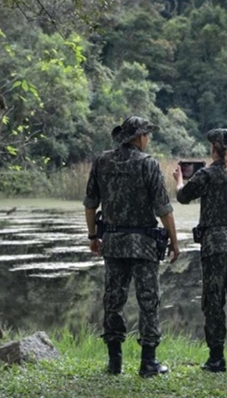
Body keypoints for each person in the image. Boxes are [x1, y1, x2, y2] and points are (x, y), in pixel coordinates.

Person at [84, 115, 180, 378]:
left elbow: (90, 203)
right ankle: (148, 363)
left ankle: (114, 362)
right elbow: (163, 208)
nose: (148, 139)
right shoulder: (148, 164)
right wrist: (174, 239)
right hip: (145, 244)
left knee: (113, 299)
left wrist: (93, 236)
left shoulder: (102, 162)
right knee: (148, 301)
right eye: (147, 135)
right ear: (139, 137)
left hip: (113, 243)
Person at [173, 128, 227, 375]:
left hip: (217, 247)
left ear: (214, 148)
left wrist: (179, 179)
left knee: (213, 302)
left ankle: (216, 359)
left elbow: (182, 197)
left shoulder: (206, 175)